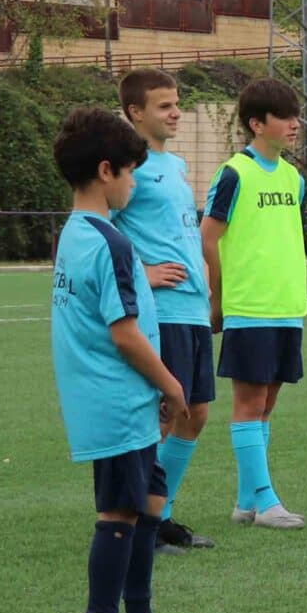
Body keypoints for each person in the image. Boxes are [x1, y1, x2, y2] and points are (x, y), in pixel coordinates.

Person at [50, 109, 189, 613]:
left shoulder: (75, 233)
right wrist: (172, 386)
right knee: (119, 514)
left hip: (118, 398)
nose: (134, 183)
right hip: (118, 399)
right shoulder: (110, 244)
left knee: (148, 500)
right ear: (106, 172)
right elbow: (125, 334)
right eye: (131, 173)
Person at [111, 68, 217, 553]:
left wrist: (211, 295)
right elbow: (97, 230)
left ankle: (160, 514)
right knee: (165, 414)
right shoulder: (124, 168)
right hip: (163, 311)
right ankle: (142, 522)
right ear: (135, 112)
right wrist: (142, 274)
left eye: (176, 104)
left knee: (195, 414)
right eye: (164, 106)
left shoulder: (173, 165)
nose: (175, 113)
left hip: (191, 310)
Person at [201, 78, 307, 530]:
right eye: (285, 117)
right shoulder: (233, 174)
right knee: (248, 403)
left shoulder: (293, 178)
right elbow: (208, 238)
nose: (295, 125)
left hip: (287, 306)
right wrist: (219, 299)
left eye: (295, 115)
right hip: (249, 306)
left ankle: (247, 500)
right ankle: (265, 501)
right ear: (256, 124)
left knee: (267, 405)